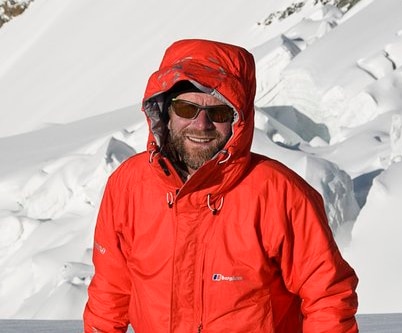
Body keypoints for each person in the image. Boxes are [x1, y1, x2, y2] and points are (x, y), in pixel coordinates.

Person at [83, 39, 358, 333]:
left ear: (239, 120)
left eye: (219, 113)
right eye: (187, 109)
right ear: (164, 111)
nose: (201, 125)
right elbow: (110, 291)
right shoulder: (128, 185)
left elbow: (328, 297)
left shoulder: (280, 195)